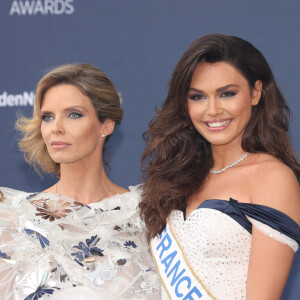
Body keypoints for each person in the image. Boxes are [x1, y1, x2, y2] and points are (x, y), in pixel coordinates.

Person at [140, 34, 300, 300]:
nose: (212, 110)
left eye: (227, 94)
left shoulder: (272, 178)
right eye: (198, 97)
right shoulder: (177, 174)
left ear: (255, 92)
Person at [0, 63, 159, 300]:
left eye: (73, 114)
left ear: (106, 125)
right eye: (48, 117)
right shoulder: (12, 220)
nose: (56, 128)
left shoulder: (147, 215)